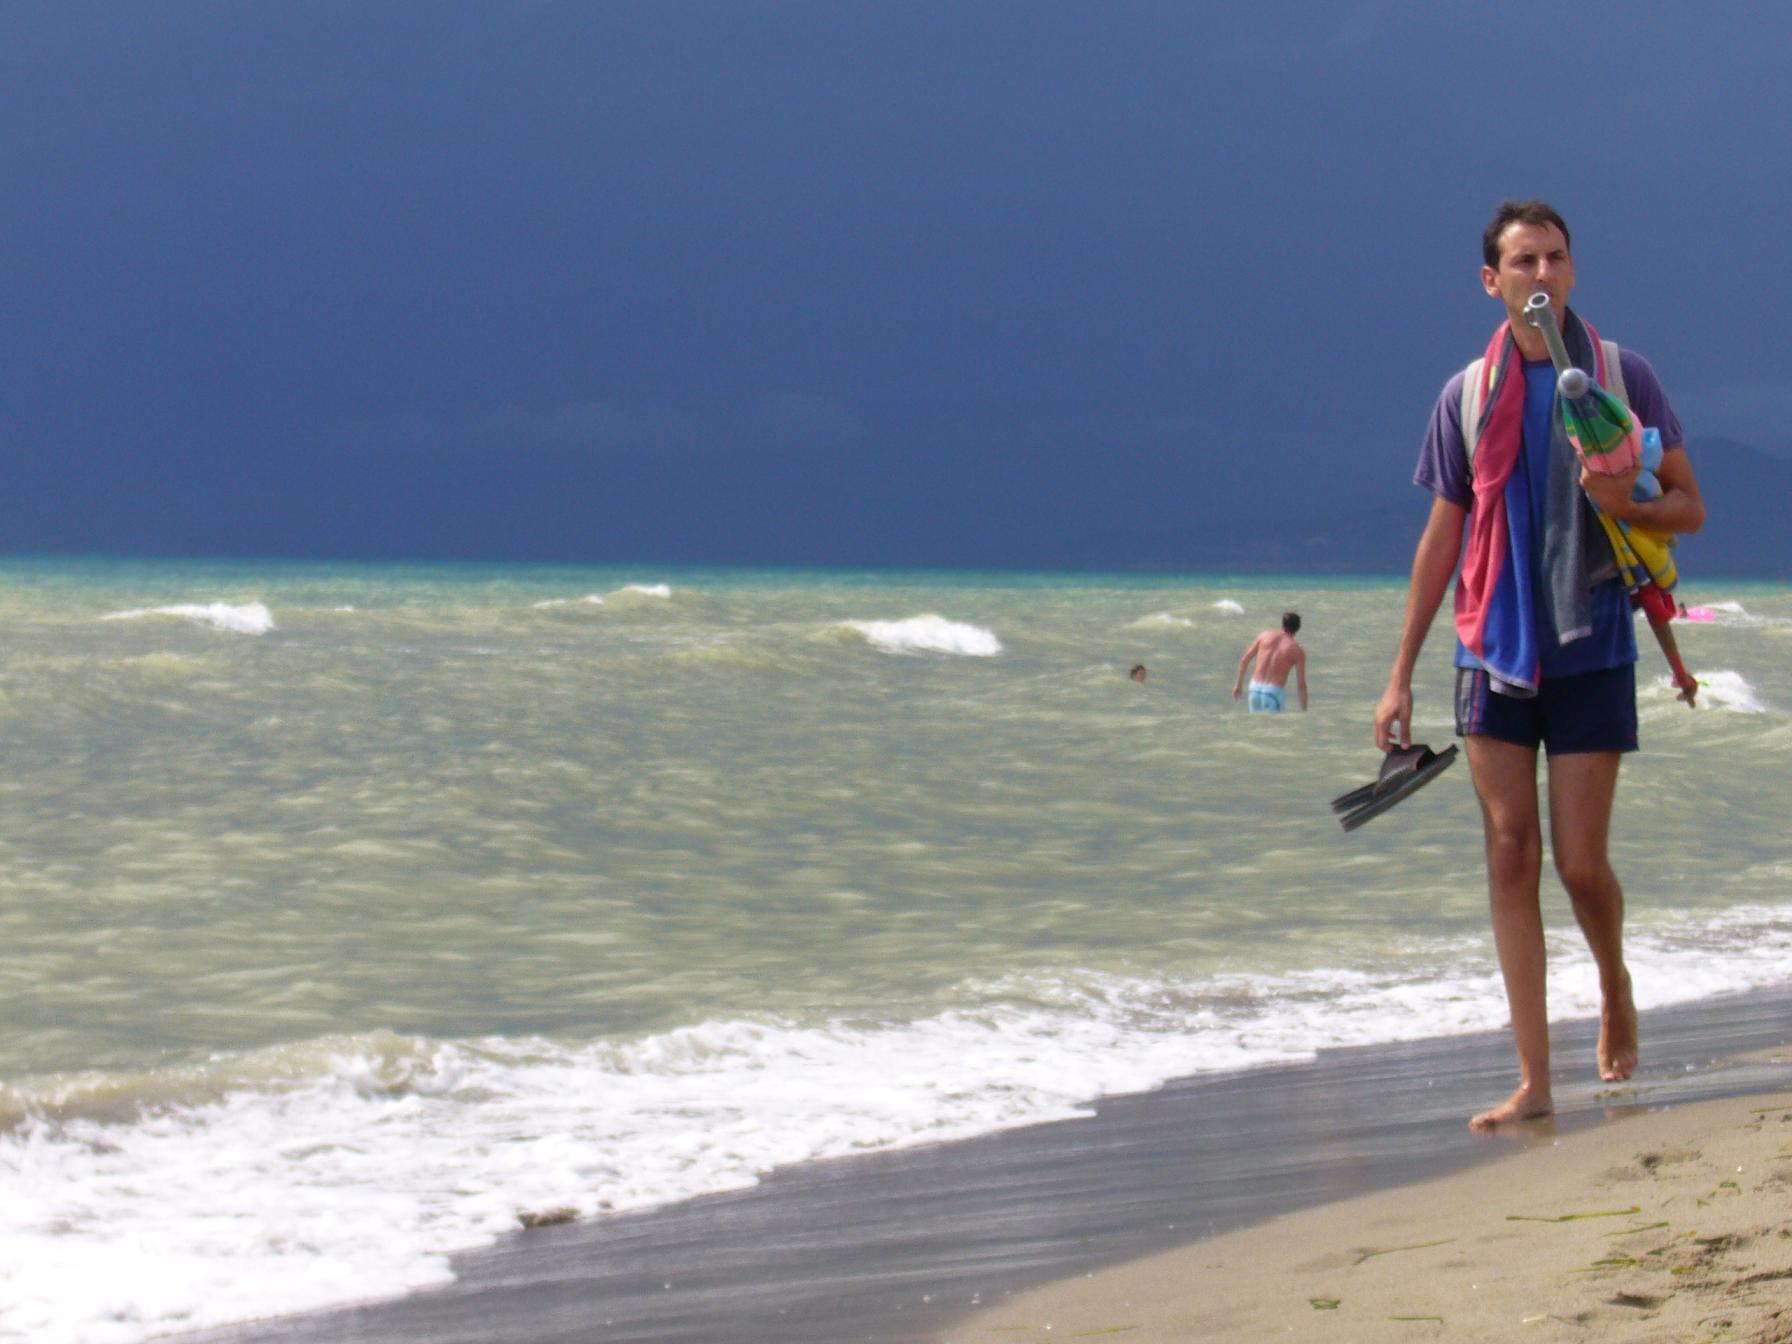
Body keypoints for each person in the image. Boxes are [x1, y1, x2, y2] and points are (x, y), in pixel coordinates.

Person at [1372, 200, 1704, 1130]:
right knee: (1513, 853)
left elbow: (1687, 506)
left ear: (1573, 270)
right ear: (1493, 281)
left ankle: (1615, 982)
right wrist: (1400, 672)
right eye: (1524, 262)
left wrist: (1625, 502)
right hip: (1490, 645)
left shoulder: (1618, 374)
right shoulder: (1465, 397)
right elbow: (1443, 538)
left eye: (1556, 258)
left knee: (1582, 866)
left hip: (1591, 639)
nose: (1542, 276)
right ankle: (1535, 1080)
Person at [1232, 612, 1307, 712]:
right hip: (1273, 693)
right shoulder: (1297, 651)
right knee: (1274, 727)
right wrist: (1304, 712)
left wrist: (1238, 685)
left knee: (1257, 726)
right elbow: (1301, 685)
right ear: (1297, 628)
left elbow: (1244, 660)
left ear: (1282, 624)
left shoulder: (1264, 636)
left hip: (1254, 689)